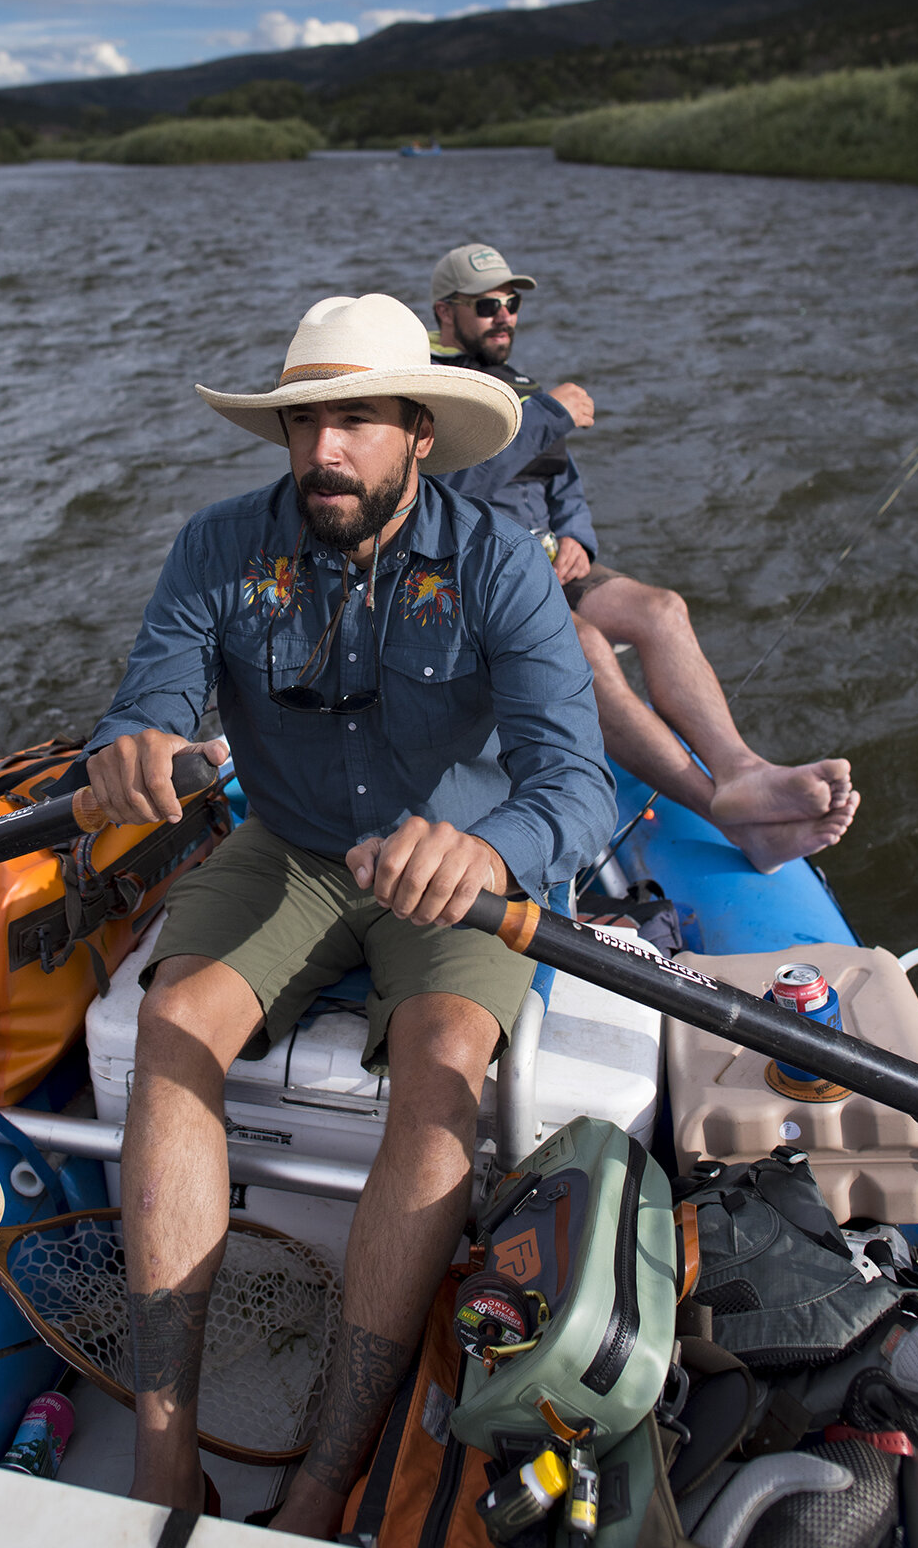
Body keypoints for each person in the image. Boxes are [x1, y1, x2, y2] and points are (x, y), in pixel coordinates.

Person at [85, 292, 615, 1536]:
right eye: (306, 420)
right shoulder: (217, 548)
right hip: (289, 845)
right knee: (173, 1025)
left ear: (420, 431)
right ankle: (167, 1446)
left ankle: (328, 1471)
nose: (326, 450)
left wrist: (488, 844)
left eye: (359, 420)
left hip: (456, 869)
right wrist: (131, 746)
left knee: (441, 1083)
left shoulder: (498, 562)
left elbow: (578, 786)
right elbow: (147, 699)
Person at [427, 243, 859, 874]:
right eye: (488, 305)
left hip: (553, 561)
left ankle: (743, 771)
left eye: (513, 304)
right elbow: (449, 491)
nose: (506, 317)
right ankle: (727, 816)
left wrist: (579, 539)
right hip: (482, 574)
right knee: (587, 646)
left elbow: (563, 486)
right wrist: (545, 415)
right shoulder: (437, 388)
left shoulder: (519, 387)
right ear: (446, 312)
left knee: (662, 608)